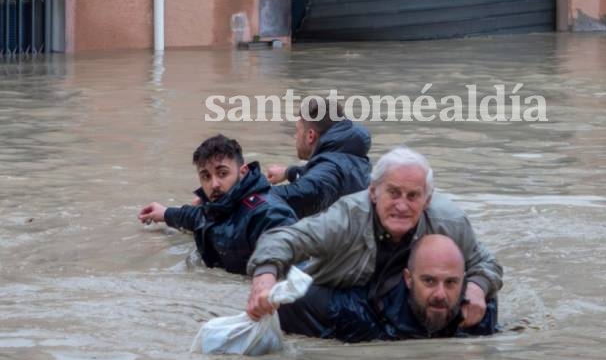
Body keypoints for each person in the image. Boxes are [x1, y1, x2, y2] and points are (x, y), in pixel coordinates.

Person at [246, 147, 503, 328]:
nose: (402, 206)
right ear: (373, 192)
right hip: (342, 294)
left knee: (484, 306)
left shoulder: (450, 222)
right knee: (293, 301)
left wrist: (477, 287)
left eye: (413, 196)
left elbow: (486, 264)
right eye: (393, 193)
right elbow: (281, 239)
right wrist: (264, 279)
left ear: (428, 200)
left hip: (400, 298)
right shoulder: (345, 218)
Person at [277, 234, 499, 342]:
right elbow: (289, 299)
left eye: (451, 283)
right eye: (429, 281)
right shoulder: (358, 312)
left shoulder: (478, 312)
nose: (441, 294)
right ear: (408, 279)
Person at [138, 134, 297, 275]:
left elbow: (292, 252)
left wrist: (266, 276)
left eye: (222, 173)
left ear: (243, 172)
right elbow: (196, 217)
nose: (214, 184)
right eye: (206, 176)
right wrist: (165, 213)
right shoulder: (217, 207)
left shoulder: (266, 212)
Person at [266, 97, 371, 218]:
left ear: (310, 135)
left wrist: (249, 191)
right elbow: (319, 174)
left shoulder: (330, 169)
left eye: (298, 131)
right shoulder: (349, 157)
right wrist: (288, 172)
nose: (295, 137)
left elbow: (305, 192)